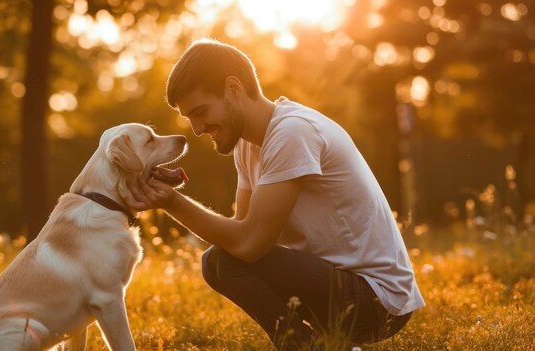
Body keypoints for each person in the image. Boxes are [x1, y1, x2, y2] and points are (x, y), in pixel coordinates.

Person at [124, 39, 425, 349]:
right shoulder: (248, 145)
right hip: (337, 286)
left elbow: (249, 245)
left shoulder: (293, 131)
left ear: (234, 88)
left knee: (223, 262)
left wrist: (171, 202)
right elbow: (238, 238)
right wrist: (168, 197)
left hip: (376, 300)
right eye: (190, 118)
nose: (198, 128)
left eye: (201, 111)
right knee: (216, 262)